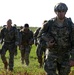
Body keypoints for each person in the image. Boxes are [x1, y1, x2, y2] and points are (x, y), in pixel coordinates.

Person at [39, 2, 74, 75]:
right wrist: (46, 44)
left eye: (63, 11)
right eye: (59, 11)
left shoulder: (70, 25)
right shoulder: (49, 24)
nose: (61, 13)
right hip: (52, 54)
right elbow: (39, 37)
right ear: (56, 12)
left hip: (65, 55)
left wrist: (73, 58)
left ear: (65, 12)